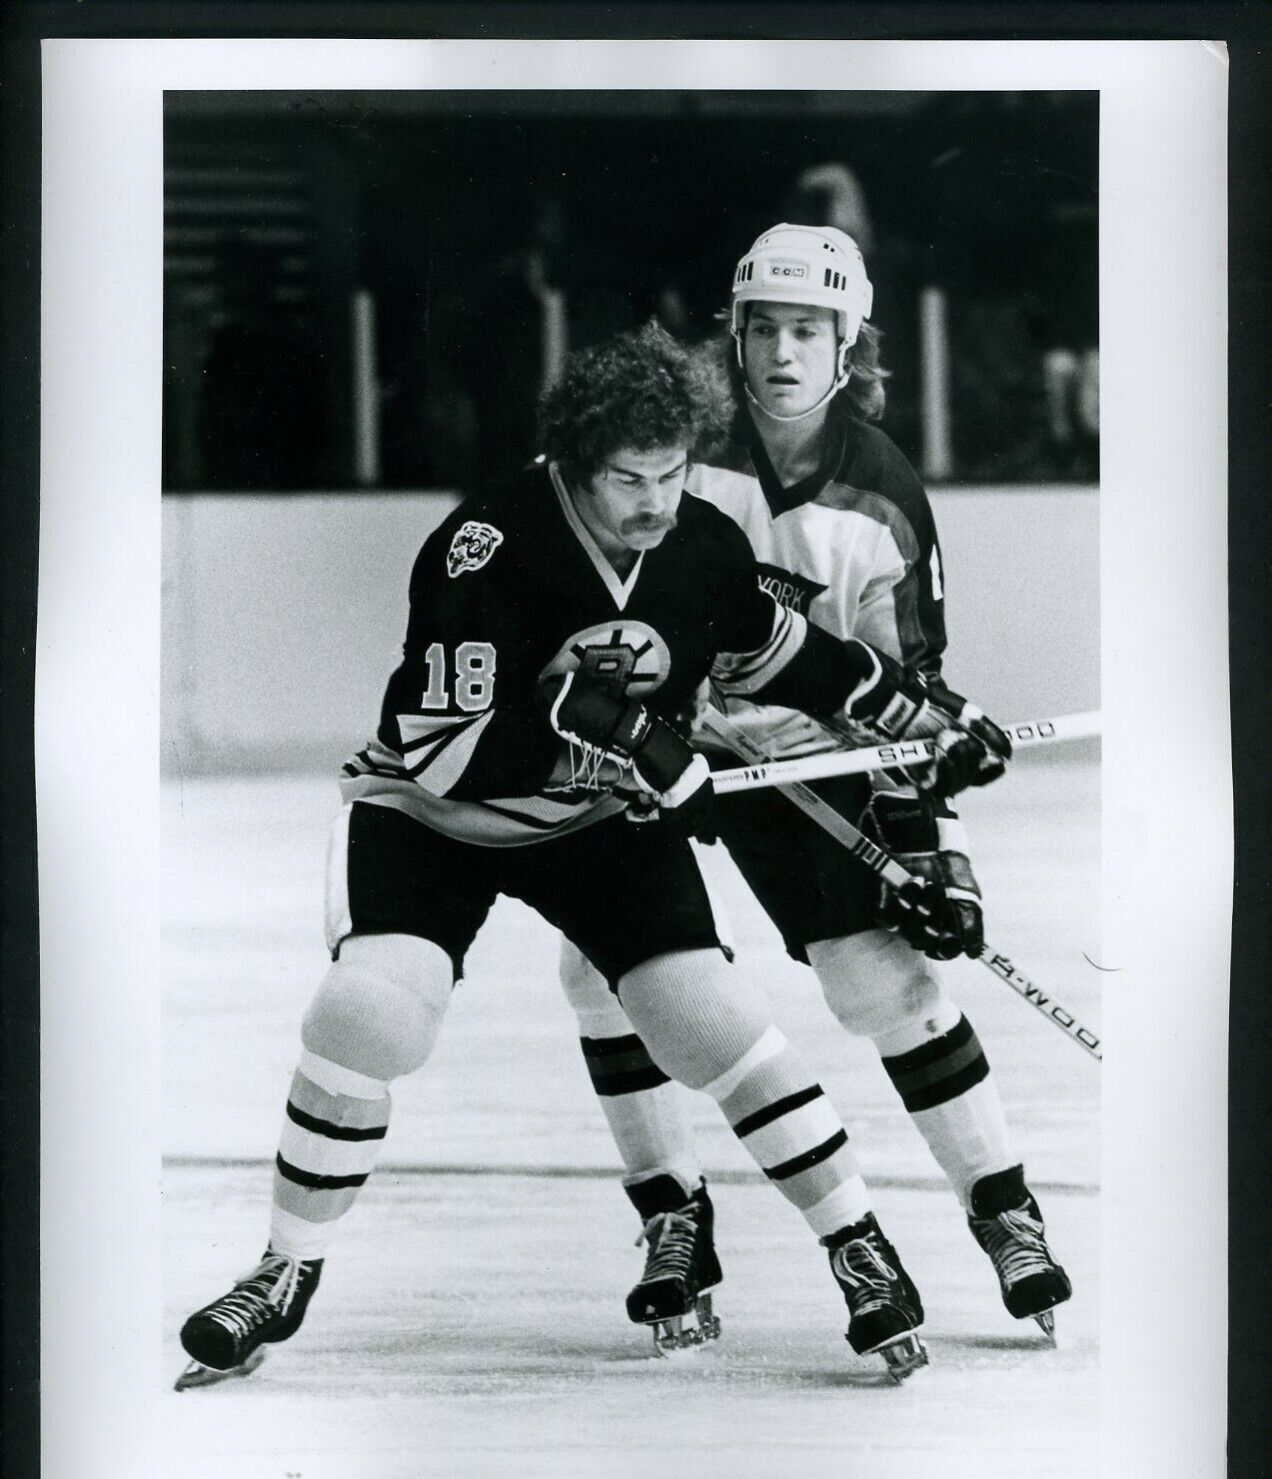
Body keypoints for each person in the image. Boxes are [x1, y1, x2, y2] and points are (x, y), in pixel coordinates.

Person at [176, 321, 1009, 1390]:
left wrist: (923, 710)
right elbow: (443, 753)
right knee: (371, 1012)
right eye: (628, 479)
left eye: (671, 473)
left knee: (715, 1021)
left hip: (594, 825)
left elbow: (793, 654)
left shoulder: (700, 542)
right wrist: (611, 731)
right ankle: (282, 1269)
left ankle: (858, 1245)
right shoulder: (485, 544)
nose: (656, 503)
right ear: (574, 464)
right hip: (433, 821)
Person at [559, 226, 1073, 1347]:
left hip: (806, 753)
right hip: (662, 746)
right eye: (764, 328)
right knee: (606, 973)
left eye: (809, 330)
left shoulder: (884, 498)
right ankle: (672, 1214)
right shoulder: (678, 447)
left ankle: (1005, 1210)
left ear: (851, 347)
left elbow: (912, 688)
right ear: (732, 338)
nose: (784, 352)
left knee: (881, 985)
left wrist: (939, 834)